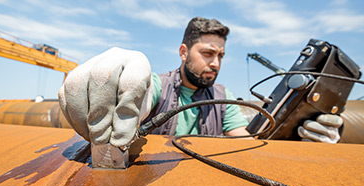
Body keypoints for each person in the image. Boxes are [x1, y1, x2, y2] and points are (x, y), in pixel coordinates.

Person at [58, 17, 343, 148]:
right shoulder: (159, 85)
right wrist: (120, 83)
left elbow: (246, 144)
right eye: (207, 53)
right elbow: (141, 99)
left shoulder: (223, 97)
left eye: (220, 55)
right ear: (183, 52)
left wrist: (299, 142)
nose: (216, 63)